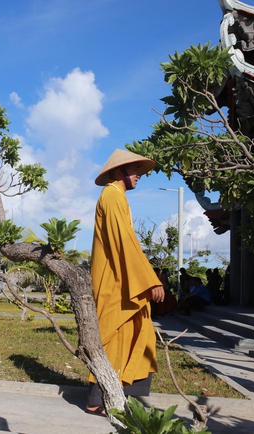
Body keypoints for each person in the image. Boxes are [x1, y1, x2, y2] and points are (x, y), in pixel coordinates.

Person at [86, 149, 164, 416]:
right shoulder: (111, 196)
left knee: (136, 335)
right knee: (114, 340)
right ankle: (97, 401)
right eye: (135, 171)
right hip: (115, 281)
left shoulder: (116, 197)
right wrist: (149, 280)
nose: (140, 176)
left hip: (121, 280)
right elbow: (125, 243)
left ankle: (117, 396)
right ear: (120, 172)